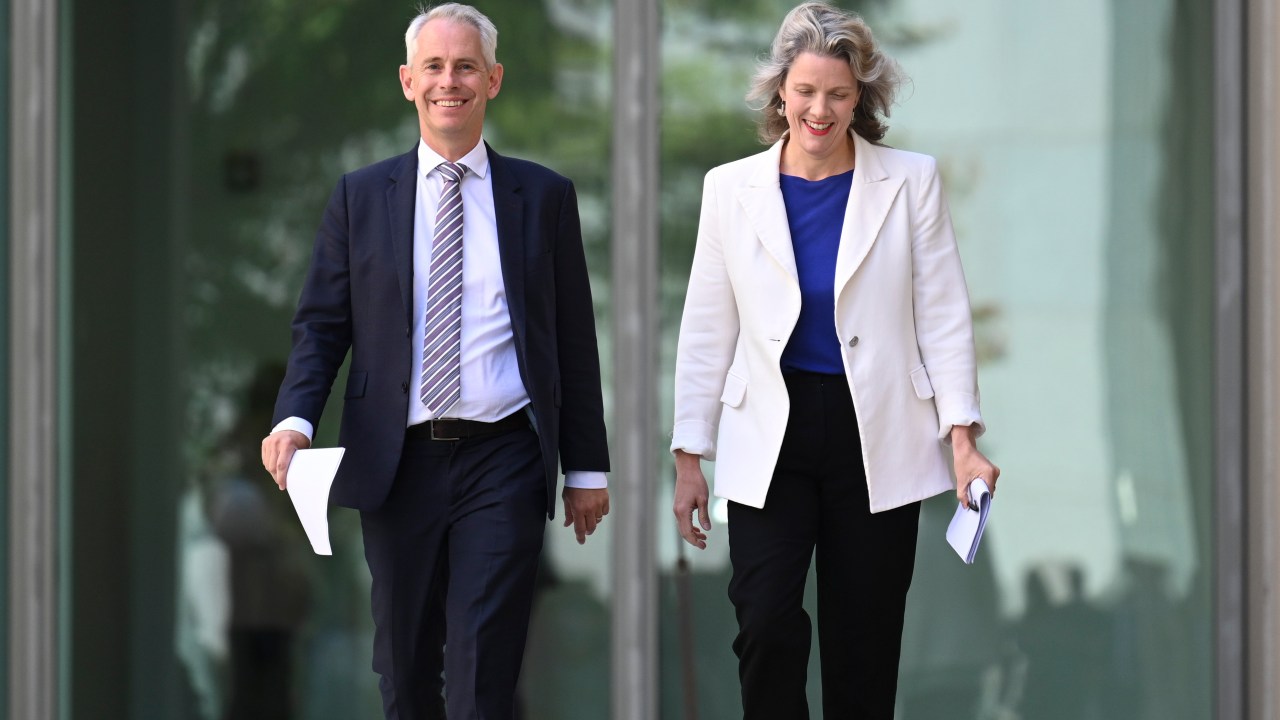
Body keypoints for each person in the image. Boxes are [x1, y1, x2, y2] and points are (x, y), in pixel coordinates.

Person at [259, 5, 611, 718]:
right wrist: (295, 418)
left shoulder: (543, 198)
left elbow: (572, 338)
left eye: (466, 66)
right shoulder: (360, 198)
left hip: (503, 457)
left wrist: (587, 466)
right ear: (407, 81)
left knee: (483, 674)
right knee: (406, 672)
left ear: (493, 79)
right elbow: (322, 326)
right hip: (397, 461)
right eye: (435, 67)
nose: (450, 81)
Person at [670, 3, 999, 718]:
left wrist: (963, 439)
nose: (820, 109)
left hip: (873, 433)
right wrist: (689, 453)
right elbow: (706, 327)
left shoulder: (911, 181)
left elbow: (942, 314)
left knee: (865, 644)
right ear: (779, 92)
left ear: (862, 97)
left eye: (839, 94)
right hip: (771, 430)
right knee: (764, 623)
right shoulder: (729, 189)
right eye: (806, 92)